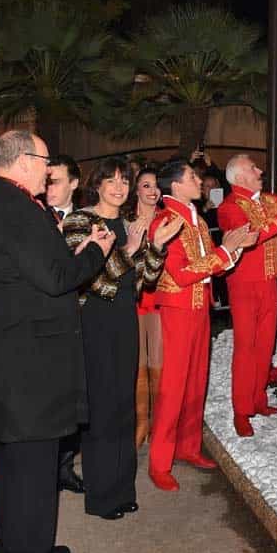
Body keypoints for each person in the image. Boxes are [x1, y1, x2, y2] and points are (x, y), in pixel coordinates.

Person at [0, 129, 114, 553]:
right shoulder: (13, 208)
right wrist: (96, 251)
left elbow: (36, 271)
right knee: (30, 469)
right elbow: (56, 279)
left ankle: (20, 547)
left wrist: (68, 253)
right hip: (28, 364)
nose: (50, 169)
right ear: (23, 160)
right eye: (45, 160)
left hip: (23, 358)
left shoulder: (6, 202)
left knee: (22, 466)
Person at [62, 158, 182, 520]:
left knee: (124, 406)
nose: (119, 187)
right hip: (94, 319)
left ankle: (122, 489)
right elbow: (89, 279)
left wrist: (156, 246)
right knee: (101, 409)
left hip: (124, 318)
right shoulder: (80, 222)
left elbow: (143, 279)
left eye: (124, 181)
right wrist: (129, 251)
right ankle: (100, 496)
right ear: (96, 184)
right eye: (111, 180)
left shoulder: (128, 224)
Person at [147, 159, 257, 491]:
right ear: (176, 186)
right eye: (192, 177)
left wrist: (233, 249)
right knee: (172, 387)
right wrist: (227, 249)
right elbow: (180, 274)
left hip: (198, 311)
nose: (200, 181)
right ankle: (159, 461)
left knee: (197, 381)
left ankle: (189, 447)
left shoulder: (193, 219)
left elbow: (214, 267)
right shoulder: (165, 221)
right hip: (177, 313)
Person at [218, 155, 277, 437]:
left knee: (265, 344)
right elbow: (252, 236)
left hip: (269, 281)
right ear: (239, 177)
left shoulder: (269, 200)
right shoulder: (229, 207)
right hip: (244, 285)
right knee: (245, 347)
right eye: (253, 168)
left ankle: (257, 400)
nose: (259, 170)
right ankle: (241, 410)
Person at [45, 154, 85, 495]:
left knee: (77, 394)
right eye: (46, 181)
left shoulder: (88, 220)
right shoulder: (34, 218)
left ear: (74, 183)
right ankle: (46, 467)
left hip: (83, 316)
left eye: (55, 180)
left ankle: (66, 466)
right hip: (48, 320)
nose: (49, 188)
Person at [128, 165, 165, 448]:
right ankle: (141, 421)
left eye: (155, 186)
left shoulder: (168, 220)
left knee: (159, 362)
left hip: (162, 298)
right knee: (138, 361)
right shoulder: (126, 221)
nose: (152, 191)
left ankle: (158, 423)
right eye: (146, 185)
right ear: (136, 190)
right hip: (135, 298)